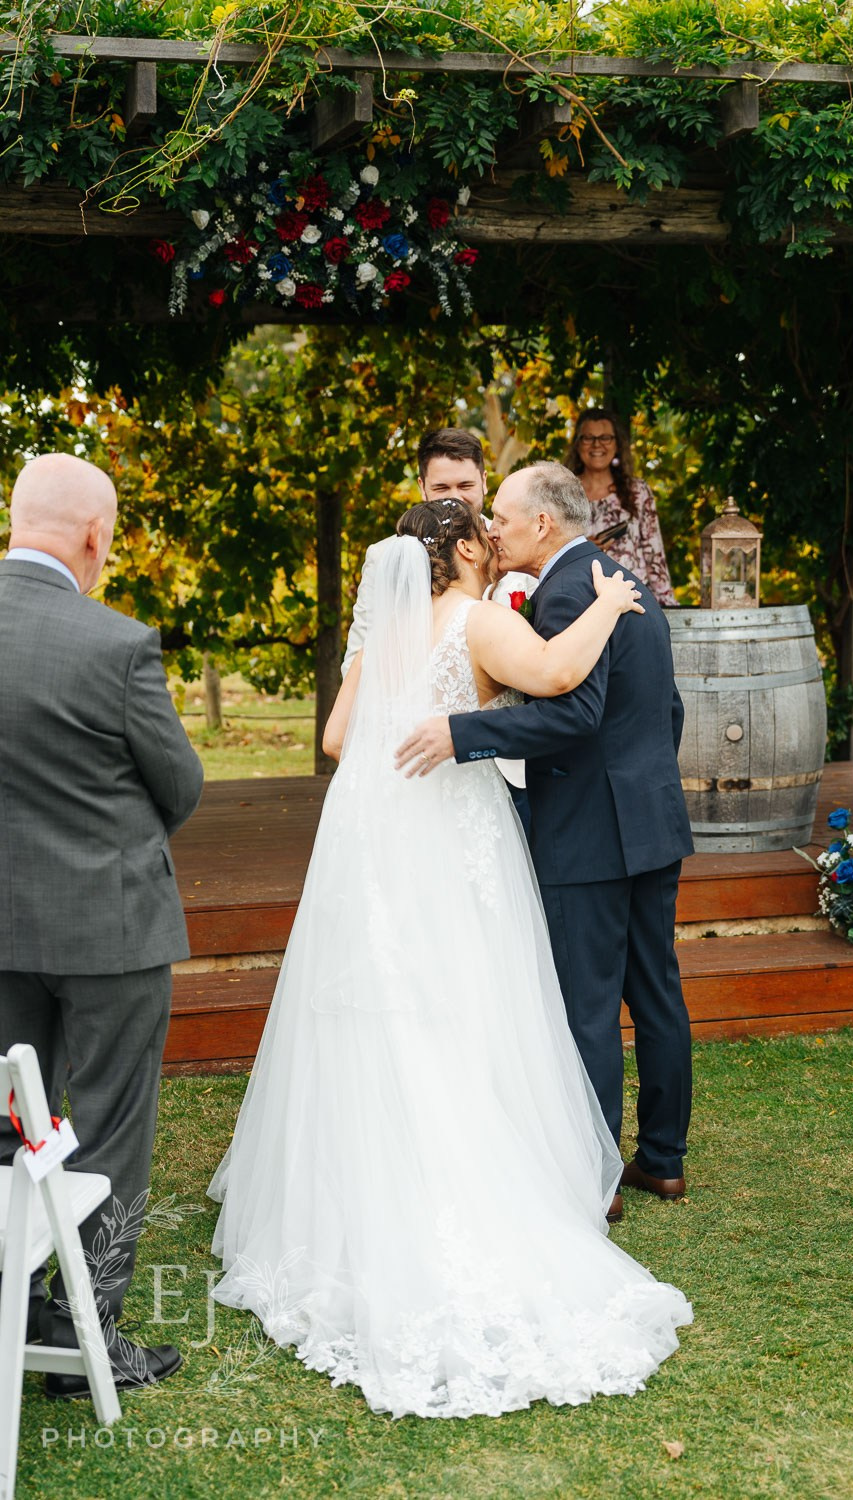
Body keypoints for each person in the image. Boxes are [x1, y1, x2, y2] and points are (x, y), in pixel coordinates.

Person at [209, 499, 692, 1419]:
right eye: (488, 529)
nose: (498, 541)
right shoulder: (473, 619)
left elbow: (341, 740)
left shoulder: (386, 632)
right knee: (468, 1001)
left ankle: (358, 1193)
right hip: (456, 838)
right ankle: (465, 1178)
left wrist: (415, 725)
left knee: (388, 1009)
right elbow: (553, 672)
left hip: (384, 845)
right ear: (465, 549)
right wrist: (610, 604)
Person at [396, 464, 694, 1222]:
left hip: (588, 829)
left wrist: (462, 732)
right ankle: (662, 1160)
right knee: (655, 991)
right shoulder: (620, 581)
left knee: (586, 1004)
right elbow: (669, 707)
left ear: (542, 526)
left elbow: (573, 714)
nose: (490, 526)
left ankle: (593, 1179)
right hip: (650, 821)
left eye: (501, 513)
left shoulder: (566, 595)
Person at [0, 452, 204, 1395]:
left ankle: (10, 1304)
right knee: (112, 1125)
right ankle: (87, 1336)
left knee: (6, 1125)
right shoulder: (117, 643)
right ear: (94, 536)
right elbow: (181, 785)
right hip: (112, 930)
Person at [344, 426, 535, 832]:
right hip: (424, 762)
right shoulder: (387, 558)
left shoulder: (517, 545)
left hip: (517, 757)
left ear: (485, 480)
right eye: (441, 485)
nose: (455, 496)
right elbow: (362, 656)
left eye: (466, 484)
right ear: (421, 486)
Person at [567, 407, 678, 608]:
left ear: (617, 444)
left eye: (605, 438)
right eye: (588, 438)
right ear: (577, 444)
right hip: (580, 602)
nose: (597, 444)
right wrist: (582, 546)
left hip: (634, 601)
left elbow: (655, 556)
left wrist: (668, 608)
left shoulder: (638, 491)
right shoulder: (564, 491)